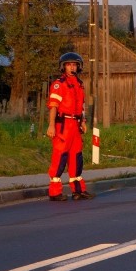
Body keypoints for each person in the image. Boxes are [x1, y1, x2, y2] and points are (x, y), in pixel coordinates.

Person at [46, 52, 94, 201]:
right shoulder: (58, 84)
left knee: (76, 156)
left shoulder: (80, 84)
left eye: (74, 64)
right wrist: (51, 125)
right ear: (63, 67)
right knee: (60, 156)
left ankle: (78, 191)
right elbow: (53, 106)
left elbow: (82, 106)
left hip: (75, 125)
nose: (72, 67)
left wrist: (83, 122)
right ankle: (55, 192)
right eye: (69, 65)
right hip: (63, 125)